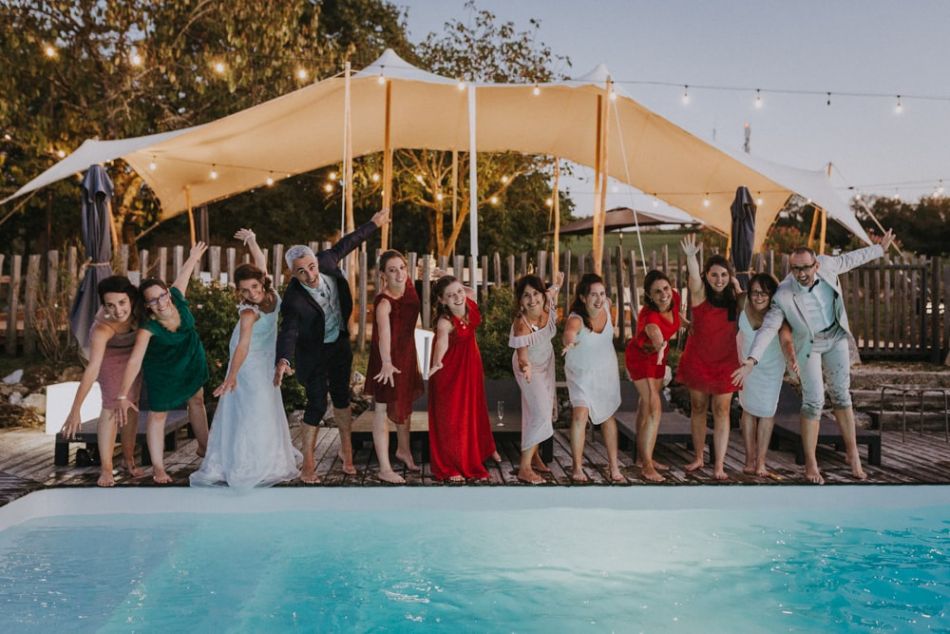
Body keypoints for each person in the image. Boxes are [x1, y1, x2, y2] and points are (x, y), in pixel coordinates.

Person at [732, 231, 895, 484]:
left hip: (835, 337)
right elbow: (767, 329)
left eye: (805, 268)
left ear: (816, 264)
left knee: (841, 394)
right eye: (795, 269)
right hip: (808, 345)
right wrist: (751, 360)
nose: (801, 274)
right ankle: (811, 463)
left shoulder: (828, 266)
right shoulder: (783, 294)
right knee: (814, 401)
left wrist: (879, 249)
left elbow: (851, 259)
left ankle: (853, 455)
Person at [275, 207, 390, 483]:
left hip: (338, 344)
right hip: (311, 353)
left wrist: (374, 223)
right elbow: (288, 330)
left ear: (317, 261)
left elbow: (349, 242)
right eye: (301, 272)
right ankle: (309, 465)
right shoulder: (293, 298)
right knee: (316, 404)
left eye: (311, 267)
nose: (310, 274)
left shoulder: (327, 261)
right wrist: (283, 360)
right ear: (292, 274)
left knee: (341, 398)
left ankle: (346, 452)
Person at [190, 229, 301, 488]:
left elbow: (261, 264)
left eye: (254, 286)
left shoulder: (270, 293)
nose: (251, 293)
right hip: (246, 363)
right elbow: (242, 345)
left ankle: (269, 456)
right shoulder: (248, 312)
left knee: (267, 407)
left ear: (262, 282)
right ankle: (244, 461)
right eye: (244, 290)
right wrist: (231, 376)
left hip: (266, 359)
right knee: (250, 410)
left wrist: (252, 240)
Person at [114, 243, 211, 484]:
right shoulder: (149, 327)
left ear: (167, 292)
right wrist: (122, 394)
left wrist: (193, 257)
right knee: (159, 416)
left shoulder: (176, 296)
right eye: (153, 301)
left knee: (197, 401)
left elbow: (184, 274)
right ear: (147, 306)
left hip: (190, 360)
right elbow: (136, 360)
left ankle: (205, 449)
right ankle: (158, 467)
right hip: (163, 371)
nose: (161, 302)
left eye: (162, 295)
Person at [60, 276, 145, 487]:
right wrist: (75, 409)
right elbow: (92, 368)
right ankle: (107, 468)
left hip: (135, 355)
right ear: (104, 305)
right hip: (109, 357)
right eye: (110, 305)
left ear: (131, 299)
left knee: (132, 405)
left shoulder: (141, 309)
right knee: (112, 405)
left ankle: (128, 459)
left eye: (122, 303)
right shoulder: (102, 328)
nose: (117, 310)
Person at [676, 235, 743, 480]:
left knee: (723, 410)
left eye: (724, 275)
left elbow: (752, 310)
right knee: (698, 407)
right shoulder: (699, 295)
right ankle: (698, 457)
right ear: (707, 276)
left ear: (730, 277)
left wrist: (736, 286)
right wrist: (692, 257)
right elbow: (694, 278)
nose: (719, 279)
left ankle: (720, 465)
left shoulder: (736, 300)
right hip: (699, 359)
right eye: (714, 275)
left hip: (726, 362)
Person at [427, 275, 499, 482]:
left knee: (473, 412)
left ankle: (482, 450)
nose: (458, 297)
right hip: (450, 373)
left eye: (459, 291)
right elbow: (441, 342)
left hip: (470, 369)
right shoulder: (445, 322)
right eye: (450, 295)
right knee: (452, 419)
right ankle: (451, 465)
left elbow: (470, 291)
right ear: (442, 301)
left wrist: (451, 282)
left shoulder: (469, 302)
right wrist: (437, 362)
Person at [365, 250, 425, 484]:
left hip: (407, 354)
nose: (399, 273)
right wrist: (388, 362)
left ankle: (404, 450)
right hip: (386, 359)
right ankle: (384, 468)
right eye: (392, 270)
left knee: (405, 400)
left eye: (402, 268)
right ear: (383, 275)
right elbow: (383, 336)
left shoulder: (409, 287)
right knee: (381, 409)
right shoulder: (384, 302)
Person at [563, 273, 624, 483]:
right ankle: (577, 467)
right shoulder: (576, 318)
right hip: (581, 373)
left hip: (605, 372)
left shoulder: (606, 306)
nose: (599, 299)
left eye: (602, 294)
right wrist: (569, 342)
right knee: (580, 414)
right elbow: (570, 332)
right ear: (582, 297)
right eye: (593, 295)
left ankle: (614, 466)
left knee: (608, 416)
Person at [736, 273, 797, 477]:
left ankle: (761, 462)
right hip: (746, 363)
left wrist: (792, 359)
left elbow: (787, 340)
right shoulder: (742, 301)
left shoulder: (779, 313)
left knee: (767, 411)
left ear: (772, 295)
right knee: (747, 409)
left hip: (771, 365)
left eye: (764, 293)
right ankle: (749, 459)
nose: (759, 297)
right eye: (755, 292)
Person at [624, 270, 682, 482]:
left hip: (659, 357)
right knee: (654, 406)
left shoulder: (674, 297)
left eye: (665, 288)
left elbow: (676, 315)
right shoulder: (649, 317)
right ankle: (647, 466)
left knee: (646, 405)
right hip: (641, 358)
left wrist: (686, 323)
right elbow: (655, 333)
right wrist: (659, 345)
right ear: (649, 296)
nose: (663, 294)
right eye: (657, 292)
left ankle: (642, 457)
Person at [509, 272, 563, 484]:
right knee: (541, 412)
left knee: (538, 409)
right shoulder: (521, 324)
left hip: (546, 362)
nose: (532, 300)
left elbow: (552, 290)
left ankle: (535, 457)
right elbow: (522, 356)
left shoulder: (547, 302)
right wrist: (527, 368)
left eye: (535, 294)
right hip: (528, 367)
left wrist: (557, 283)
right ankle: (524, 468)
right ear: (520, 301)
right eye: (526, 296)